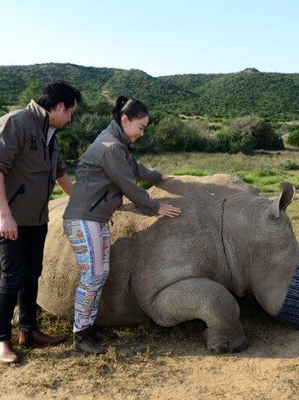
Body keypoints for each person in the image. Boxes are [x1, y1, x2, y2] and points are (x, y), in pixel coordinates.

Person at [62, 96, 181, 354]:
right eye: (141, 126)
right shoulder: (112, 147)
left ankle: (89, 325)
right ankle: (81, 334)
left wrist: (158, 176)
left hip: (96, 218)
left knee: (100, 274)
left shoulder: (116, 143)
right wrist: (155, 206)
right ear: (125, 120)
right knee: (92, 276)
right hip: (84, 219)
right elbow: (128, 183)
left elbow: (135, 168)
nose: (142, 133)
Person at [0, 81, 82, 364]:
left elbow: (59, 172)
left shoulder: (49, 133)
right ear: (59, 106)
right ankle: (3, 342)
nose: (70, 118)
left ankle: (29, 331)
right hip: (11, 218)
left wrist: (78, 201)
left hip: (37, 218)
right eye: (70, 112)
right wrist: (5, 215)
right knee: (11, 278)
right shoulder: (16, 123)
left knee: (31, 274)